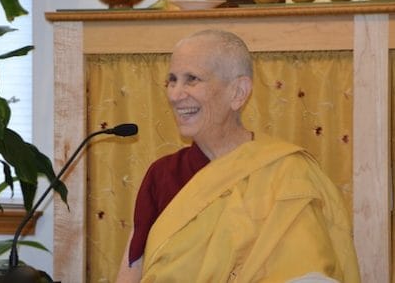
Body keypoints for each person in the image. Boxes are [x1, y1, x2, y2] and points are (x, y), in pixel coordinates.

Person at [115, 29, 360, 283]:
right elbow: (132, 270)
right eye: (172, 80)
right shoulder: (164, 174)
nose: (175, 95)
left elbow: (309, 274)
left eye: (192, 79)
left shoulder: (288, 173)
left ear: (238, 92)